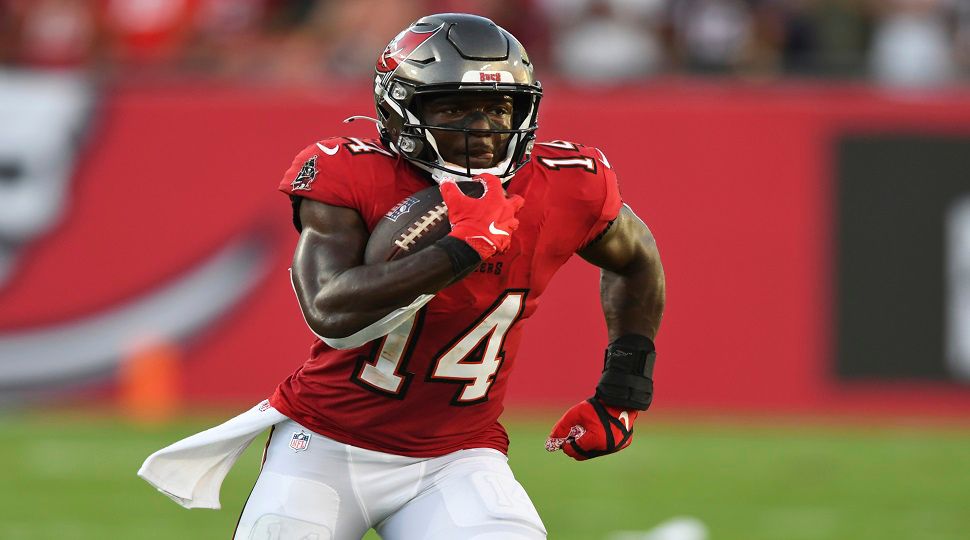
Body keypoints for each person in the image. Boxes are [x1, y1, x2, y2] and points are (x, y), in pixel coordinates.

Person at [139, 12, 664, 540]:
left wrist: (624, 391)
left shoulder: (566, 184)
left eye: (498, 107)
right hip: (325, 443)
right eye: (454, 107)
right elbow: (329, 310)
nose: (482, 128)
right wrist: (461, 250)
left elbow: (637, 260)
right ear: (399, 108)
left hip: (457, 456)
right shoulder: (351, 171)